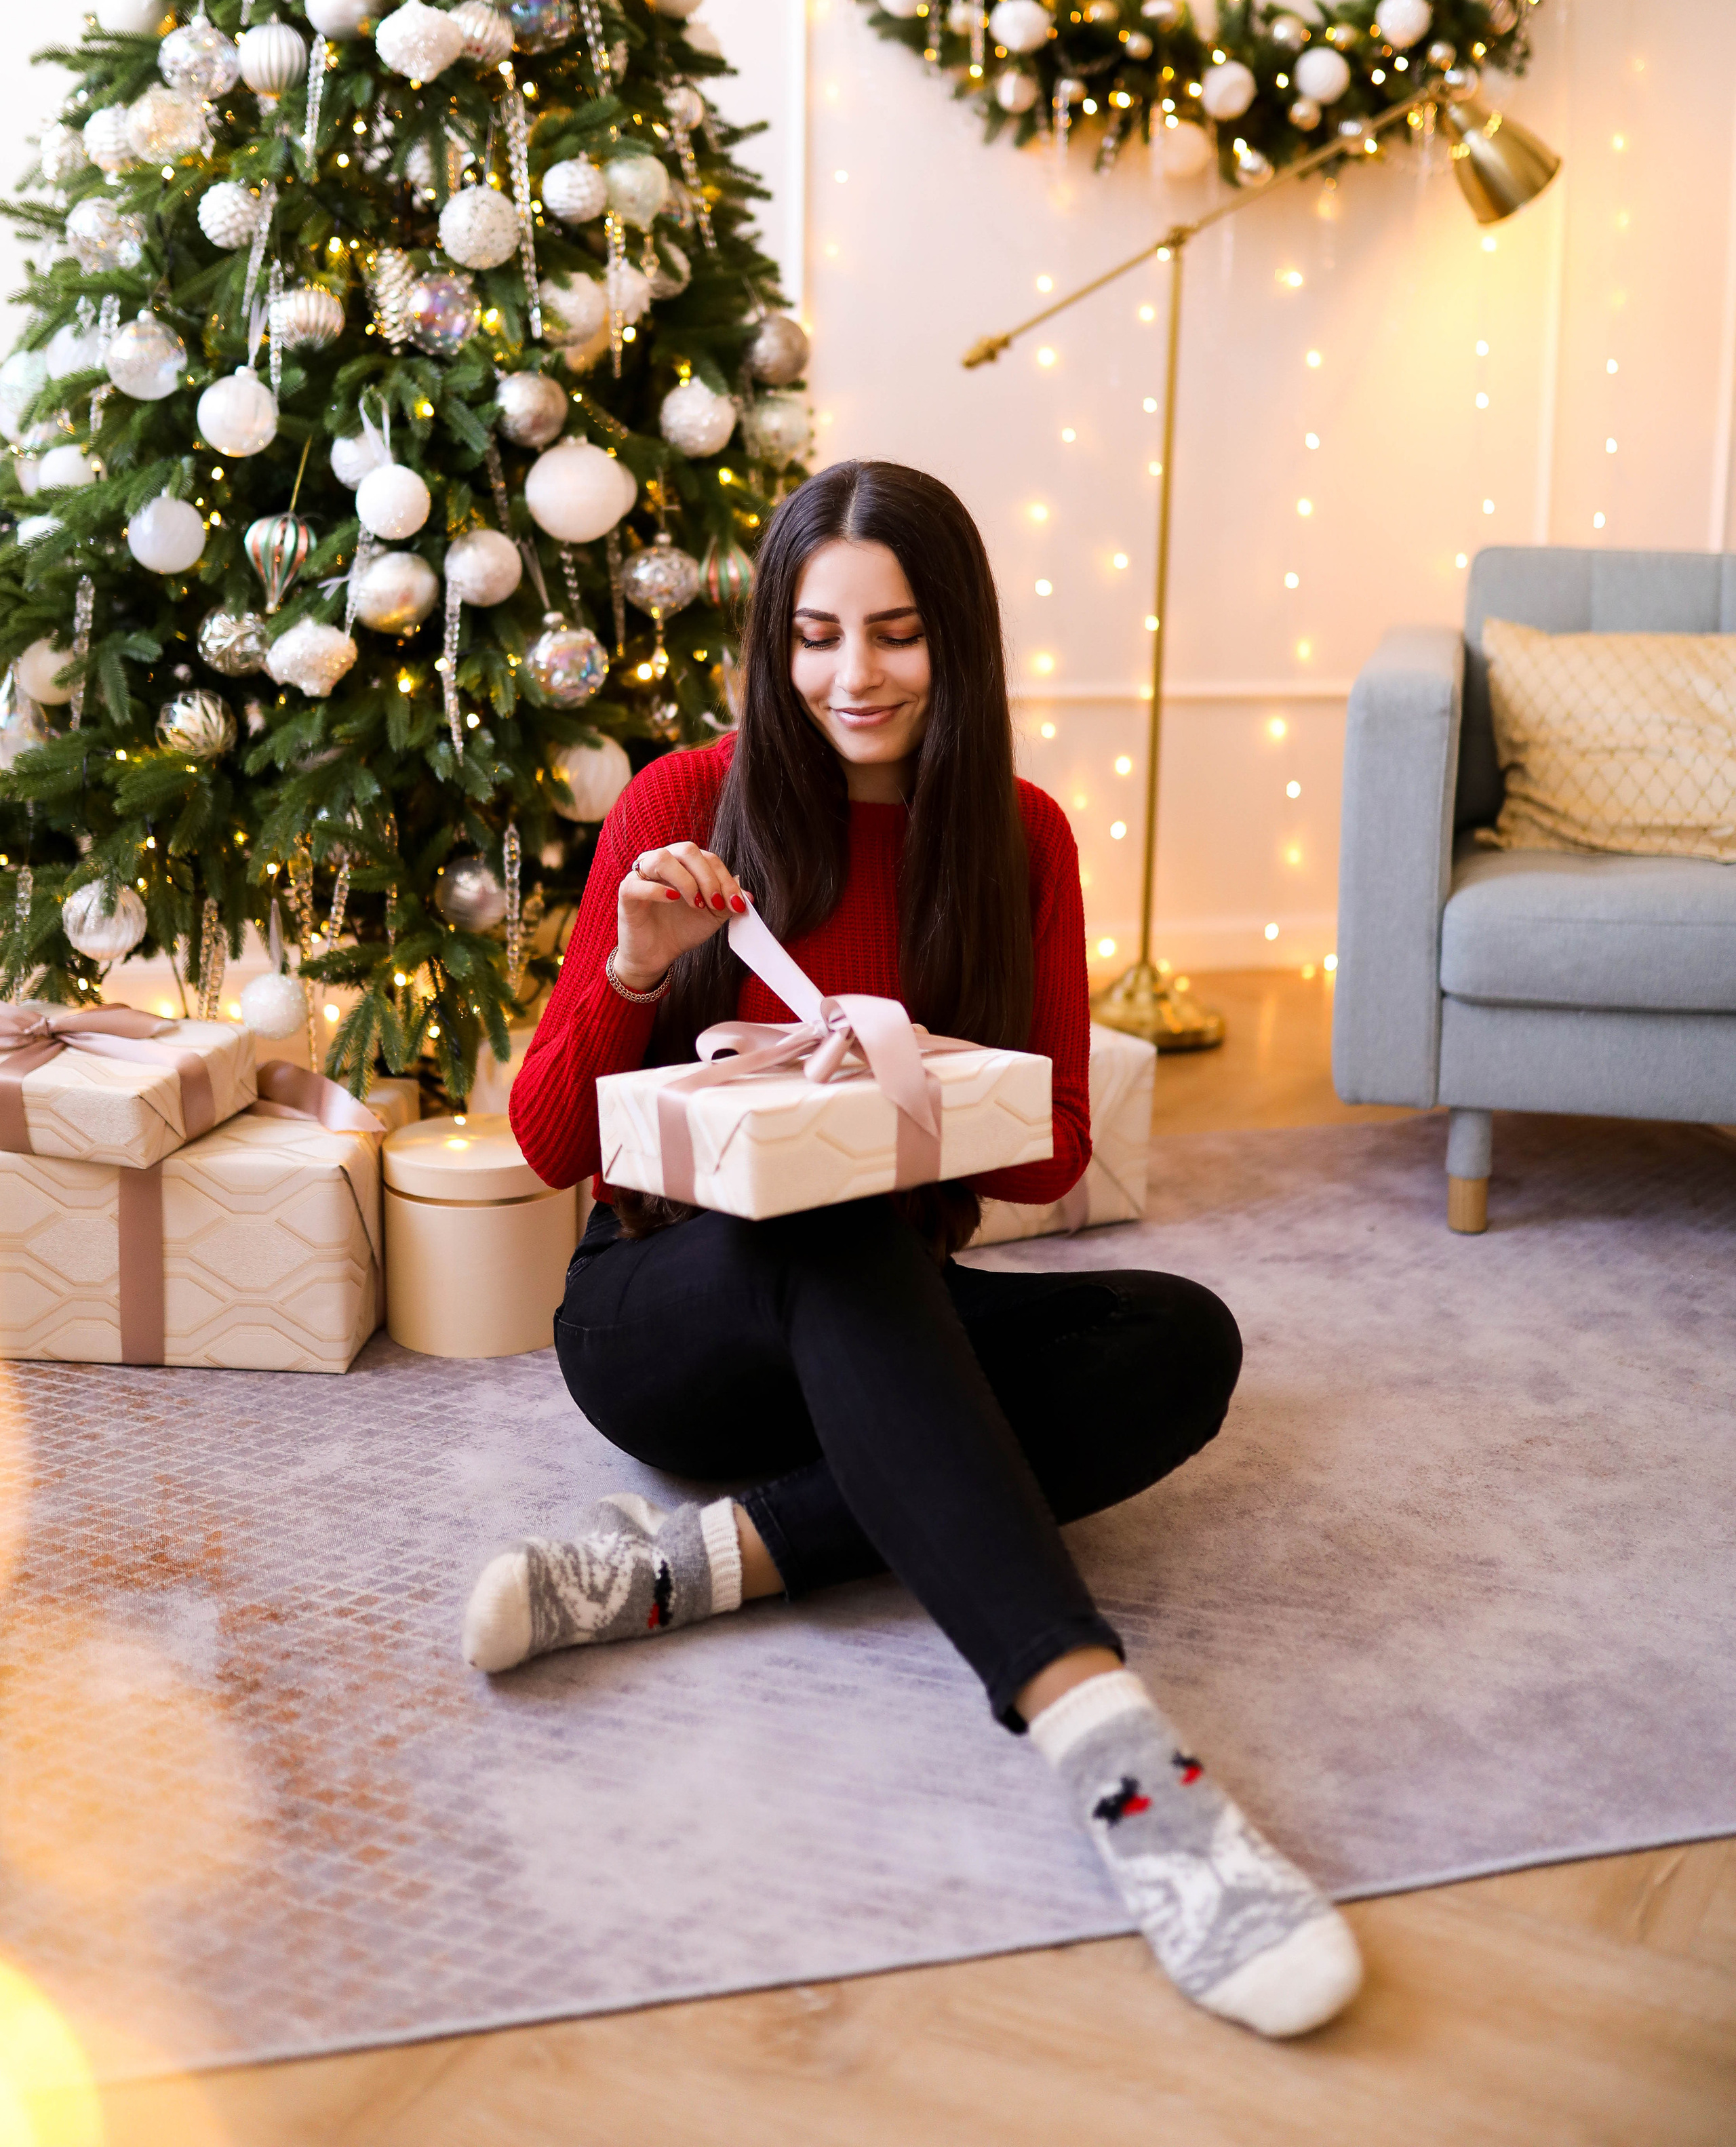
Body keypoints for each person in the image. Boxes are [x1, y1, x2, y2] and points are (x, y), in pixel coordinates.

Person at [473, 460, 1360, 2040]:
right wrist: (632, 966)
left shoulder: (1016, 837)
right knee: (826, 1228)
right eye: (815, 635)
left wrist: (910, 1075)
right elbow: (547, 1142)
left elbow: (1055, 1145)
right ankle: (1118, 1758)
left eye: (893, 633)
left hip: (878, 1305)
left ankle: (693, 1564)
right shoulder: (680, 805)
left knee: (1179, 1342)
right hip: (665, 1316)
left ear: (953, 637)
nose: (853, 676)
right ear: (774, 641)